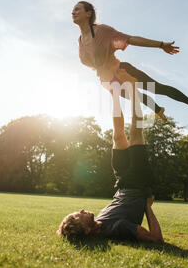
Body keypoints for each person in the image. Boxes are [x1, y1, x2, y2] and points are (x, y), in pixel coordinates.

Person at [57, 78, 164, 243]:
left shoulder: (99, 221)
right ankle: (134, 90)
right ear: (86, 230)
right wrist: (147, 206)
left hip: (121, 182)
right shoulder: (116, 228)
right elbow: (156, 239)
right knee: (135, 132)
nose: (82, 209)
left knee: (118, 135)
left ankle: (114, 94)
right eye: (79, 215)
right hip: (138, 181)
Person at [72, 0, 188, 122]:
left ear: (88, 13)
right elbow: (90, 62)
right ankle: (158, 109)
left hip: (123, 70)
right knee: (138, 97)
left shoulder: (102, 31)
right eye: (73, 10)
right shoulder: (80, 40)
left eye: (77, 9)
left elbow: (131, 39)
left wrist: (160, 44)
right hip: (108, 81)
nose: (73, 12)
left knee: (157, 88)